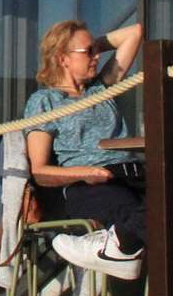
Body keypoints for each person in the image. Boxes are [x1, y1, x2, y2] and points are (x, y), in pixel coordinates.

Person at [25, 20, 148, 281]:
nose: (96, 57)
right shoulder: (45, 101)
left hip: (134, 174)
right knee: (149, 216)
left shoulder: (101, 88)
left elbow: (135, 33)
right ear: (63, 59)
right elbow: (40, 171)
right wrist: (87, 172)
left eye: (96, 51)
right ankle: (119, 249)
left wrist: (89, 47)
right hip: (92, 185)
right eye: (89, 52)